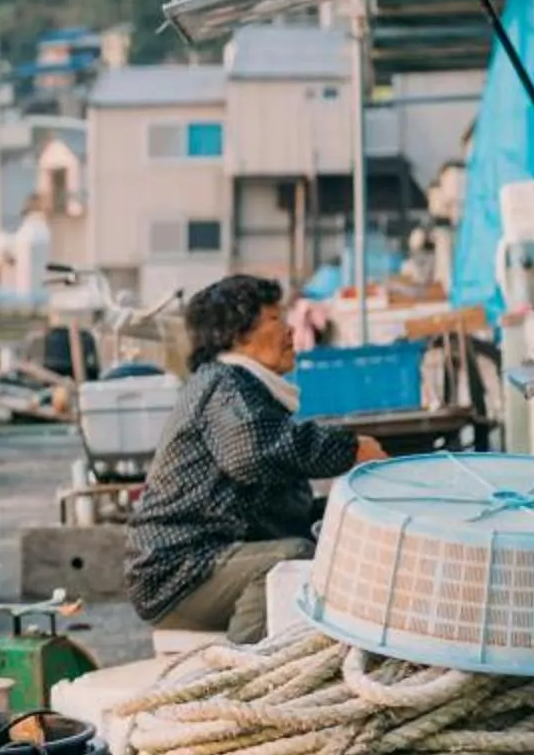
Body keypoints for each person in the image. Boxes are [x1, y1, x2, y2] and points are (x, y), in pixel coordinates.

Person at [125, 273, 387, 644]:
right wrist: (350, 449)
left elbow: (272, 504)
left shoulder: (249, 391)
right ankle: (248, 675)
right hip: (177, 570)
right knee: (288, 559)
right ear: (238, 334)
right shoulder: (224, 384)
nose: (290, 332)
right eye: (275, 319)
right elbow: (254, 450)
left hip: (206, 559)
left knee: (321, 535)